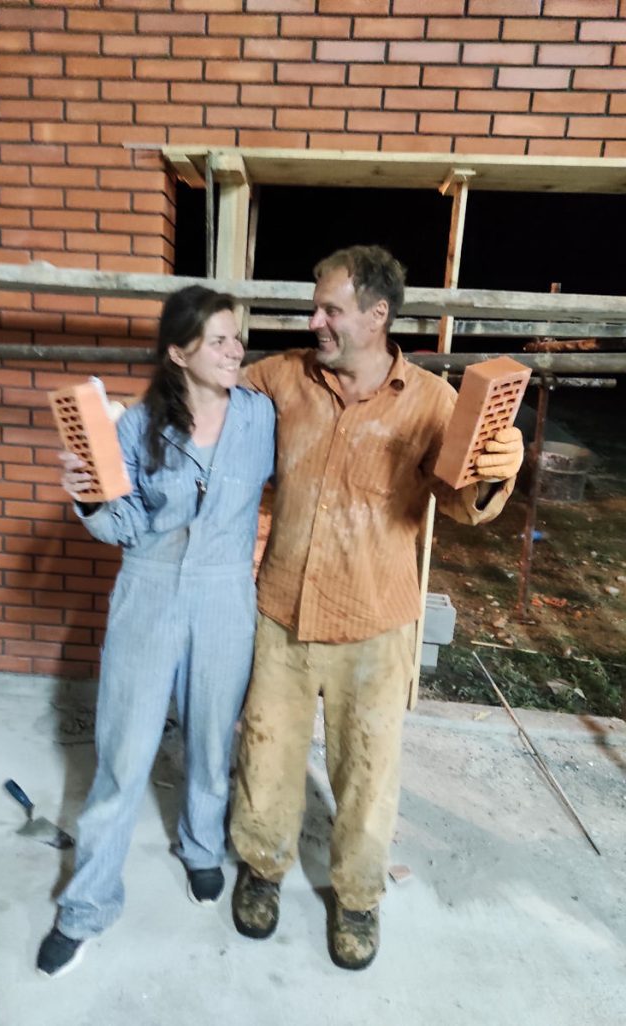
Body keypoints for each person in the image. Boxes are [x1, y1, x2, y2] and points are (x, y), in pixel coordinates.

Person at [229, 245, 524, 971]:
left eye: (330, 308)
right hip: (283, 610)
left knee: (367, 771)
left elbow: (463, 501)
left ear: (376, 314)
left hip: (375, 621)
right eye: (316, 307)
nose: (315, 320)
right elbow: (211, 400)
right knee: (265, 755)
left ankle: (357, 897)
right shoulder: (283, 377)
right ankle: (261, 868)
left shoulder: (430, 401)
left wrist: (495, 470)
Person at [37, 285, 275, 978]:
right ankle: (86, 906)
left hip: (227, 596)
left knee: (209, 741)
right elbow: (126, 528)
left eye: (238, 338)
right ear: (179, 351)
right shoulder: (136, 427)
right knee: (122, 755)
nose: (236, 350)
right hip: (147, 592)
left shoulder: (261, 417)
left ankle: (202, 848)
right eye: (221, 339)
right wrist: (89, 494)